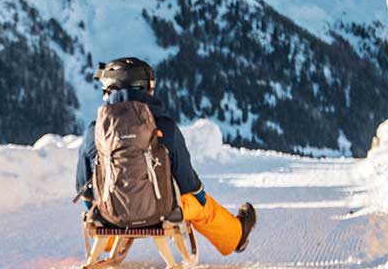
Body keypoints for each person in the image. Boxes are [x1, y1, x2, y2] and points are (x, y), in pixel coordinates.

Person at [76, 56, 257, 254]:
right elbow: (187, 182)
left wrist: (98, 209)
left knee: (99, 205)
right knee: (201, 205)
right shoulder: (164, 126)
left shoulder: (94, 131)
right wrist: (200, 197)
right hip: (162, 213)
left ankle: (108, 242)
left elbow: (84, 187)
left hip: (111, 216)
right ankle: (236, 236)